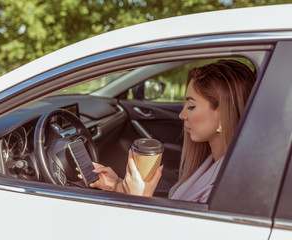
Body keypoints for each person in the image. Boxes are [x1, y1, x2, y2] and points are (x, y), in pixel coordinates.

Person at [81, 59, 256, 203]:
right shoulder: (213, 161)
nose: (181, 115)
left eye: (192, 107)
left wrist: (138, 201)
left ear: (224, 115)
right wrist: (117, 185)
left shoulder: (225, 188)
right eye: (184, 105)